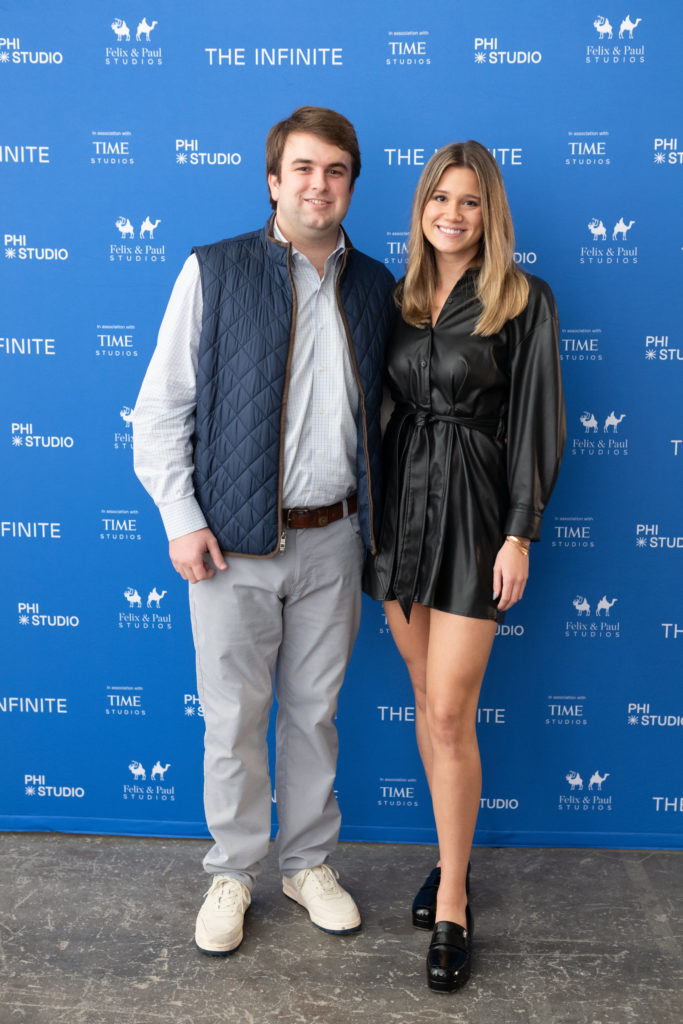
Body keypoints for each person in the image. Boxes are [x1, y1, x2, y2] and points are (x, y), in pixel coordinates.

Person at [133, 106, 395, 955]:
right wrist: (181, 519)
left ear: (351, 184)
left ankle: (307, 863)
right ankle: (234, 872)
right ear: (273, 180)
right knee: (234, 720)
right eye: (303, 169)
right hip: (231, 545)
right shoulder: (212, 270)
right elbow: (161, 407)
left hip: (335, 538)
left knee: (314, 716)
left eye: (336, 171)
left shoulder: (377, 286)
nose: (319, 185)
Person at [363, 141, 565, 992]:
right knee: (424, 697)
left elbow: (539, 421)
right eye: (439, 198)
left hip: (477, 516)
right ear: (421, 207)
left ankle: (453, 899)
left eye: (470, 201)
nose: (452, 213)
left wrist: (519, 535)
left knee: (449, 711)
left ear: (491, 215)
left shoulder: (522, 298)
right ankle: (451, 857)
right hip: (398, 515)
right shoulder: (395, 297)